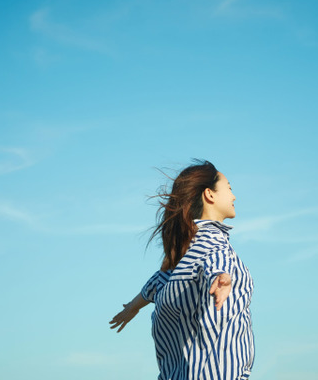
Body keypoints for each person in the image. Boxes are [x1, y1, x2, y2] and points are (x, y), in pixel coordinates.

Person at [109, 160, 255, 380]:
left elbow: (159, 282)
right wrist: (223, 277)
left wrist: (133, 306)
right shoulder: (214, 242)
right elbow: (217, 261)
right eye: (229, 188)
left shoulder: (185, 255)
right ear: (210, 195)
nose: (234, 196)